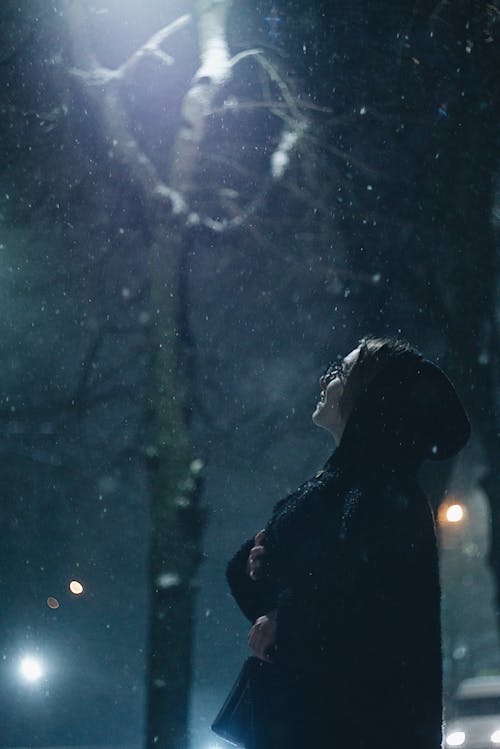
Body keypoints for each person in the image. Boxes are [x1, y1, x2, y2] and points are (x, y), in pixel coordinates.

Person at [225, 336, 470, 749]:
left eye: (341, 372)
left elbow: (363, 615)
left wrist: (287, 615)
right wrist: (267, 577)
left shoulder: (384, 494)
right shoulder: (339, 490)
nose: (325, 380)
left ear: (369, 398)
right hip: (319, 722)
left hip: (346, 728)